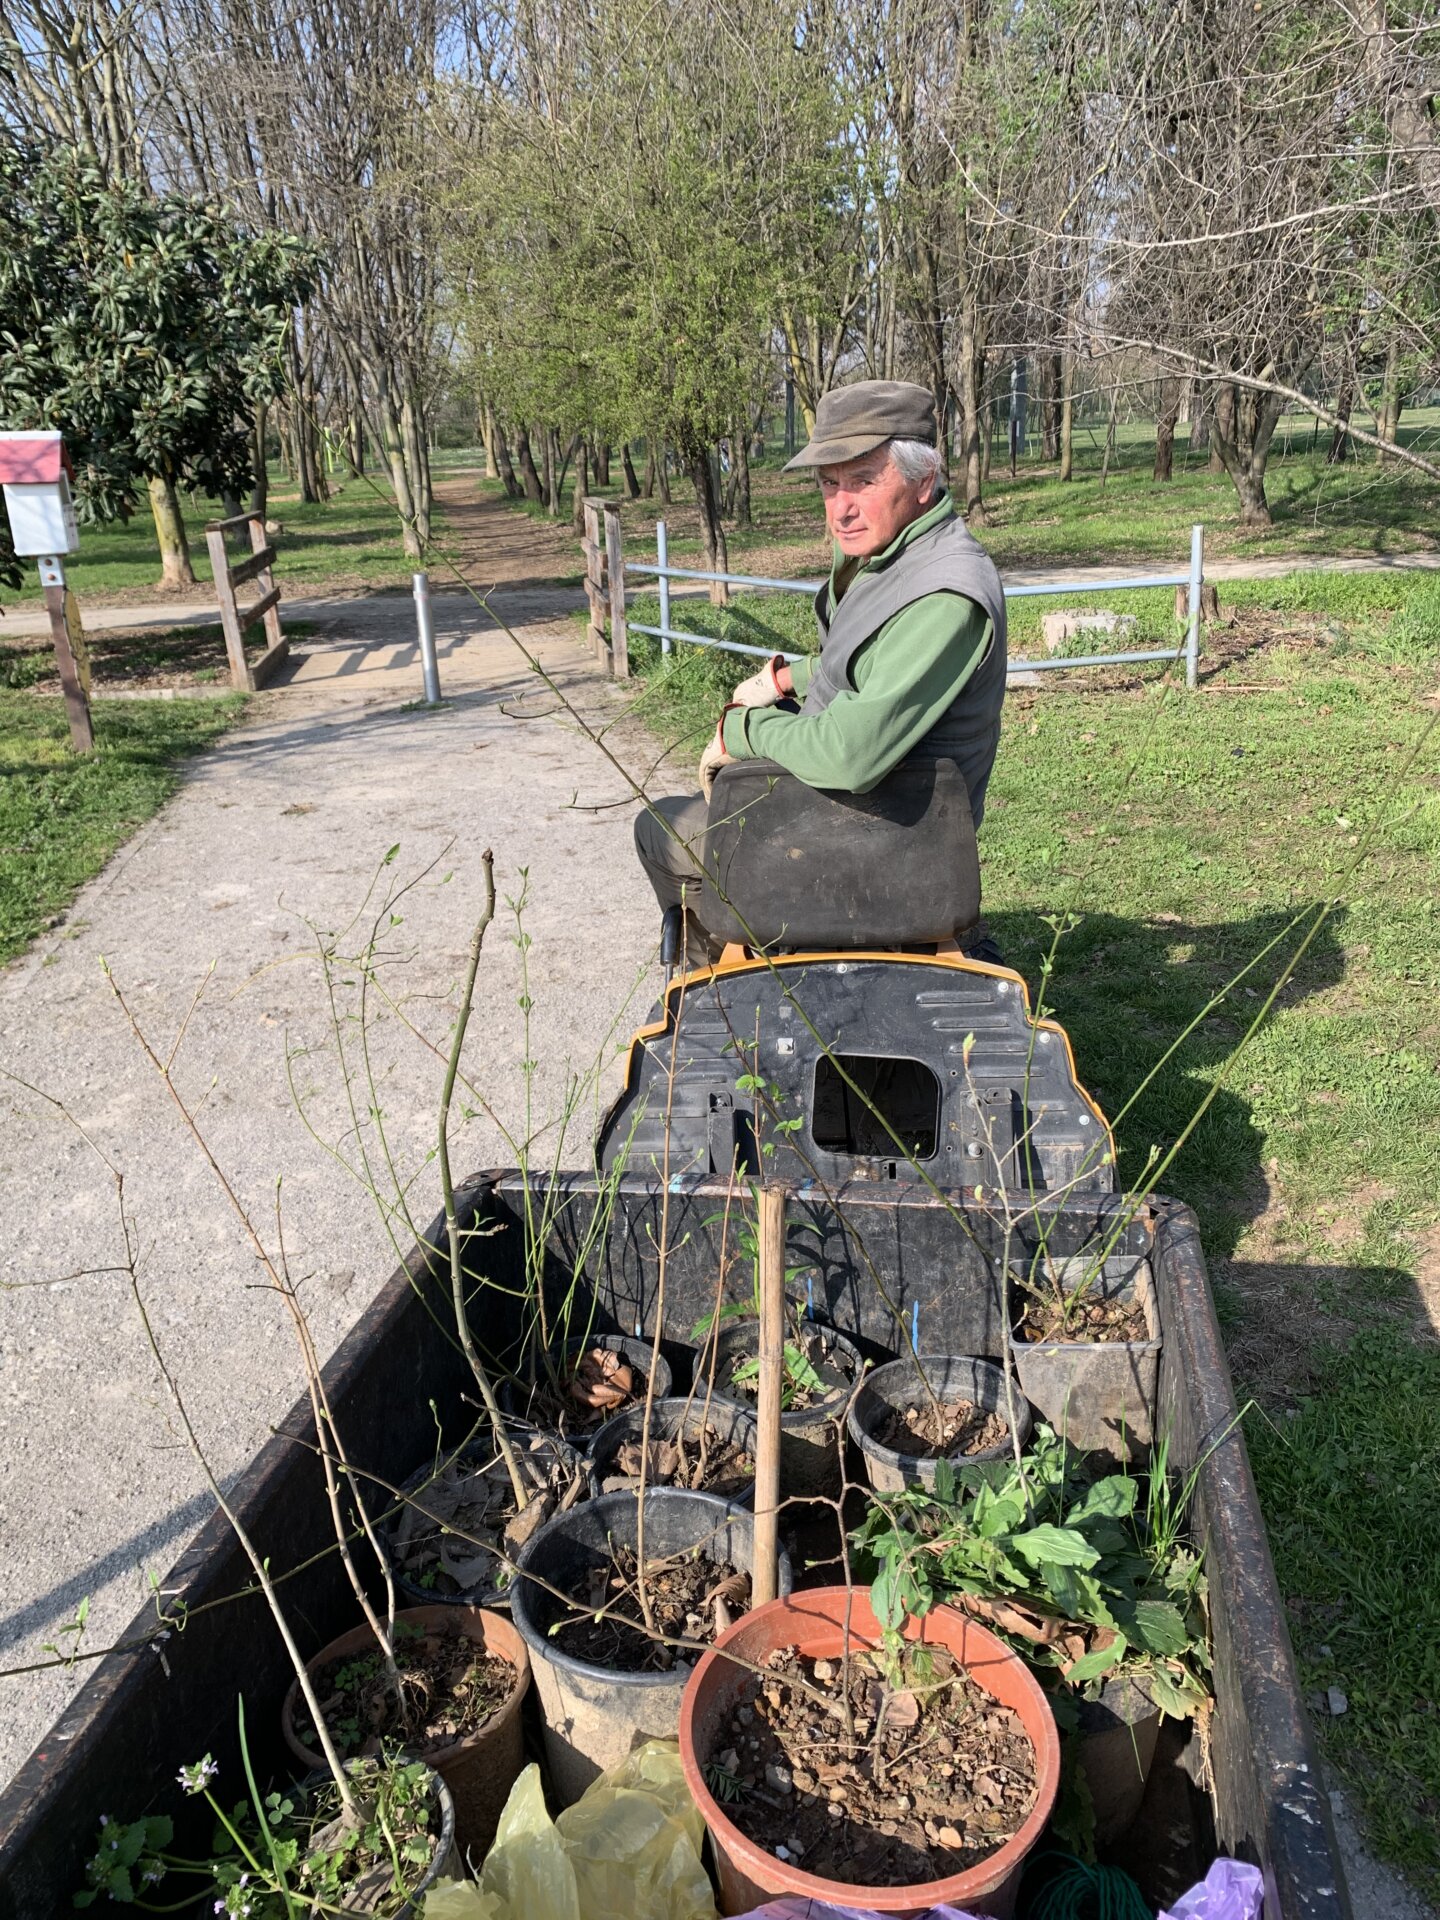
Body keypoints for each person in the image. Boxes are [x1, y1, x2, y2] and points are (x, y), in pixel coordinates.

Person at [634, 379, 1007, 964]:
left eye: (863, 481)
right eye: (829, 485)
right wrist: (789, 678)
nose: (841, 508)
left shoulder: (945, 594)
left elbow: (848, 756)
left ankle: (722, 981)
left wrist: (744, 731)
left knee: (658, 826)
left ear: (924, 479)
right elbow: (878, 660)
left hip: (880, 840)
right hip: (867, 819)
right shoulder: (895, 556)